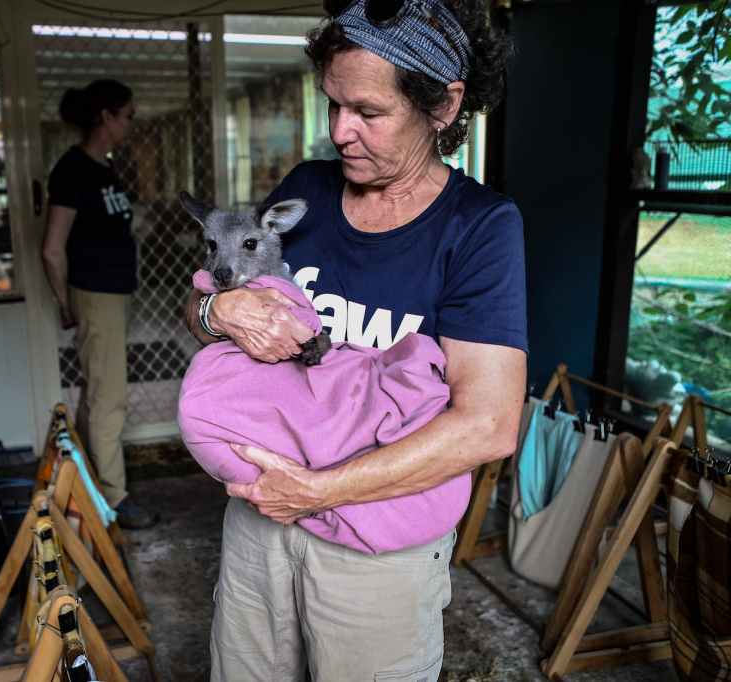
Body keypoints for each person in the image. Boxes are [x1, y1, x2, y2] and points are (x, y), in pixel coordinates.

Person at [183, 0, 527, 679]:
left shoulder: (479, 227)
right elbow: (200, 313)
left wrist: (318, 490)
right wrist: (219, 312)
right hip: (261, 518)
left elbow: (488, 426)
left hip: (376, 535)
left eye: (368, 111)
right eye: (333, 104)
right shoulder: (306, 191)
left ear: (444, 105)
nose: (340, 131)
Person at [43, 79, 158, 530]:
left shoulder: (104, 168)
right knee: (109, 399)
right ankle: (114, 499)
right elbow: (52, 248)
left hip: (112, 294)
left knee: (99, 394)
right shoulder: (73, 170)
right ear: (106, 116)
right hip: (95, 296)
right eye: (127, 115)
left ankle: (90, 480)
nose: (131, 124)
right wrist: (65, 302)